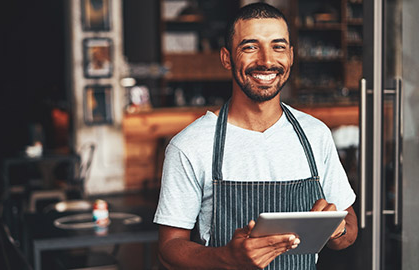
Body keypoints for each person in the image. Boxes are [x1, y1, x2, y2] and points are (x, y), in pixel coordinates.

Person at [153, 2, 358, 270]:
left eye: (278, 46)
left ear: (291, 56)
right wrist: (225, 258)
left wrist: (338, 229)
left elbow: (350, 229)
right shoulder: (190, 145)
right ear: (227, 58)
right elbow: (168, 248)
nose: (266, 60)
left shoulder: (315, 134)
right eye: (250, 47)